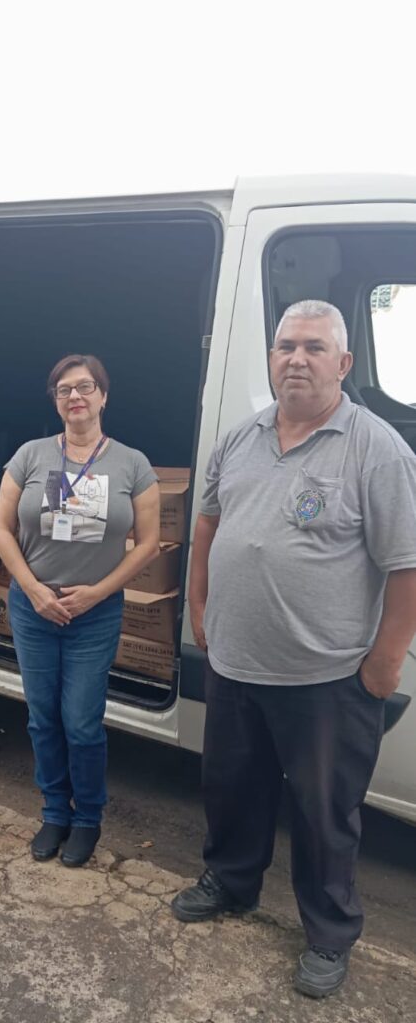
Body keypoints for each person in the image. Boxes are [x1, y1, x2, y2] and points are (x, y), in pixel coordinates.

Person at [172, 301, 416, 998]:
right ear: (272, 358)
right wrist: (199, 608)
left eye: (315, 347)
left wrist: (384, 662)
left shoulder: (377, 450)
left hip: (326, 678)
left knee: (323, 815)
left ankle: (330, 936)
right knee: (231, 790)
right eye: (286, 346)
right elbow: (210, 527)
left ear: (343, 364)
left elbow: (407, 568)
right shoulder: (241, 438)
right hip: (235, 664)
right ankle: (231, 883)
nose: (297, 359)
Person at [0, 354, 160, 867]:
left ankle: (87, 818)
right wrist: (35, 590)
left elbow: (150, 544)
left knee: (82, 722)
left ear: (104, 396)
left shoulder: (132, 463)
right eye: (65, 390)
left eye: (85, 387)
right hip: (33, 607)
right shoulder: (30, 455)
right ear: (56, 400)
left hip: (95, 612)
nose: (75, 397)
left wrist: (97, 592)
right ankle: (53, 813)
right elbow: (1, 530)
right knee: (43, 719)